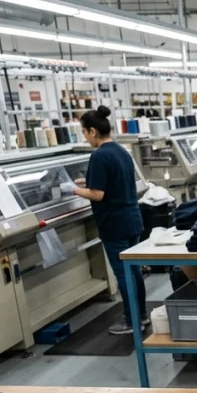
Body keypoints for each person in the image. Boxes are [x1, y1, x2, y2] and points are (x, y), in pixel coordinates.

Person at [70, 106, 148, 336]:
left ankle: (131, 320)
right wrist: (88, 180)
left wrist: (74, 190)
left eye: (84, 133)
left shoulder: (99, 155)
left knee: (123, 274)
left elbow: (98, 194)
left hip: (114, 223)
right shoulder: (122, 151)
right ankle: (141, 315)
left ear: (93, 131)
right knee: (134, 272)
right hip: (132, 218)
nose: (85, 138)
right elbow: (116, 180)